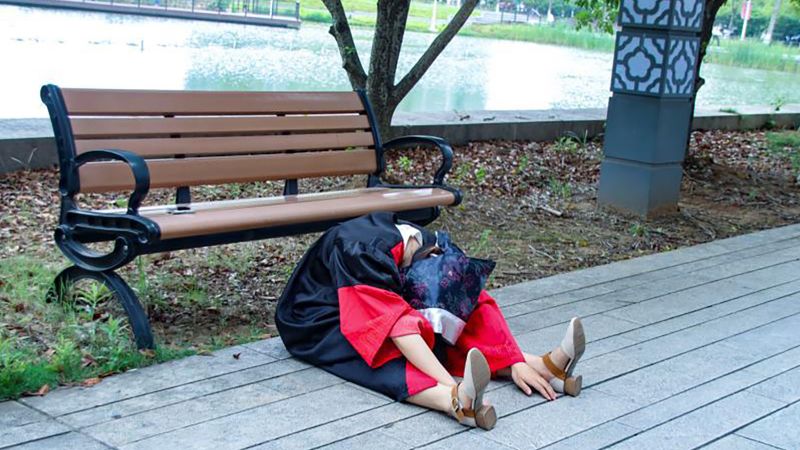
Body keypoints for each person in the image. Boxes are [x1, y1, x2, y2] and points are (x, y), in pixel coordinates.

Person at [275, 212, 586, 430]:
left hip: (377, 301)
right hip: (317, 318)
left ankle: (545, 368)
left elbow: (474, 304)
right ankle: (452, 402)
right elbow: (397, 327)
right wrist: (455, 385)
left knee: (441, 324)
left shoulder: (432, 247)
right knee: (379, 347)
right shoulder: (362, 251)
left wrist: (515, 359)